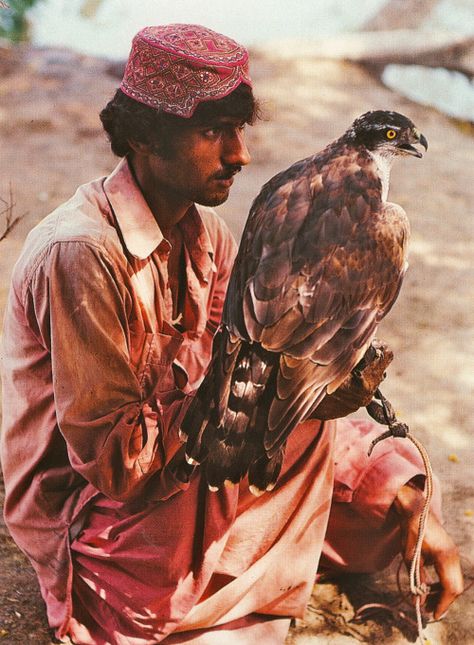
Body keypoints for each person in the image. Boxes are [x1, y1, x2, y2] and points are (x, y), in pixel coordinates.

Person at [0, 24, 463, 645]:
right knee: (298, 469)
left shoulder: (208, 234)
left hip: (184, 462)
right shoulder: (81, 255)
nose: (240, 155)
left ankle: (245, 571)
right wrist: (253, 416)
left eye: (240, 130)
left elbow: (264, 373)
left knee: (387, 496)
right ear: (142, 137)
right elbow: (116, 464)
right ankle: (216, 599)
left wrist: (329, 413)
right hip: (99, 513)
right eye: (212, 132)